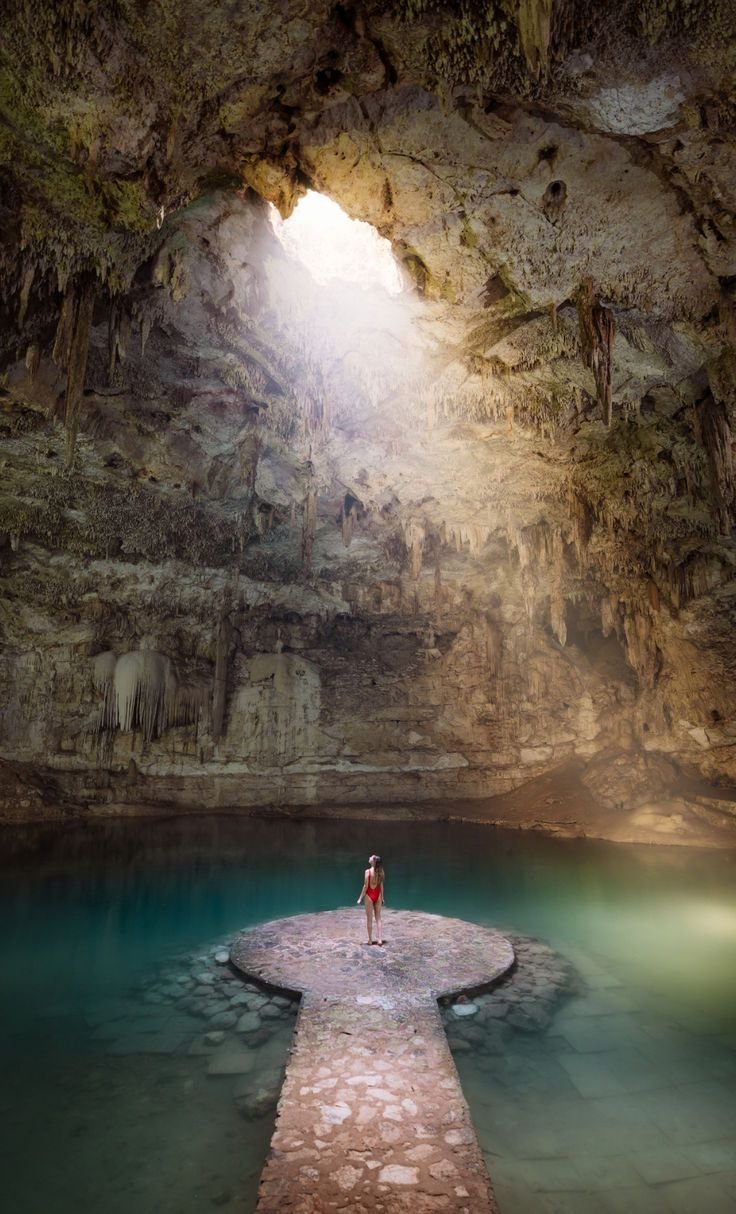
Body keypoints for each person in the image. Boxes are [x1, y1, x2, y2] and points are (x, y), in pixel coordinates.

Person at [357, 853, 385, 946]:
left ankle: (370, 940)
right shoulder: (380, 872)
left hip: (369, 895)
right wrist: (383, 897)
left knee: (369, 919)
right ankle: (380, 939)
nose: (369, 857)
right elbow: (381, 886)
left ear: (373, 861)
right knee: (378, 918)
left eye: (371, 857)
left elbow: (365, 886)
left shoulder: (367, 872)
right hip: (378, 894)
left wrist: (360, 898)